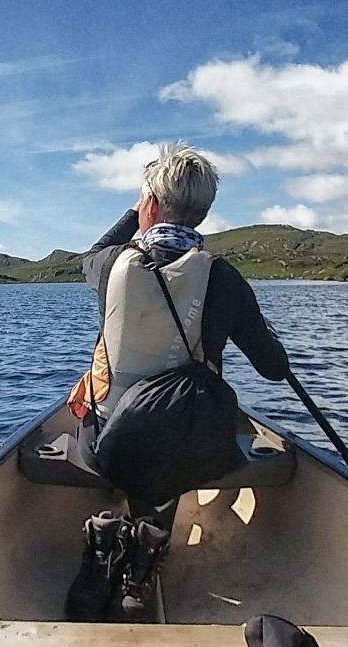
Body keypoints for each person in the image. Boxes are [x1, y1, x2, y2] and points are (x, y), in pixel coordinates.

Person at [65, 142, 291, 621]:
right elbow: (273, 367)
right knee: (175, 446)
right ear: (203, 215)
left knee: (106, 427)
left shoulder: (109, 267)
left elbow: (90, 253)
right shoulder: (225, 280)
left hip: (109, 445)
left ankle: (106, 542)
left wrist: (135, 209)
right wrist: (253, 324)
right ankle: (146, 554)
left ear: (148, 204)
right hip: (191, 450)